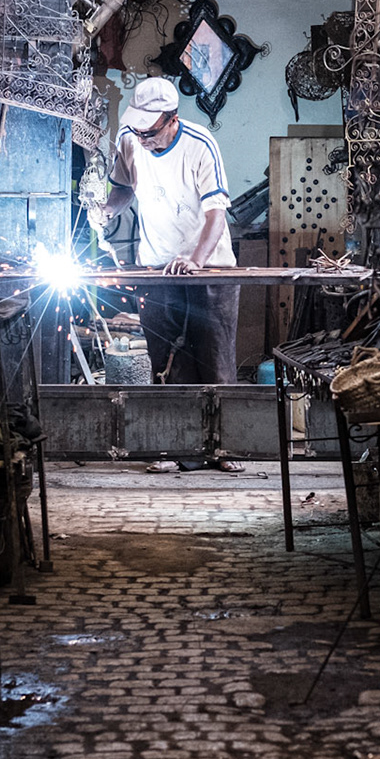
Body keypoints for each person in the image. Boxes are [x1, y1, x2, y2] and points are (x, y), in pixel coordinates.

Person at [100, 76, 243, 472]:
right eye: (140, 132)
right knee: (166, 360)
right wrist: (106, 209)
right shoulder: (130, 138)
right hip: (156, 265)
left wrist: (196, 259)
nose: (144, 139)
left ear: (172, 119)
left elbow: (216, 212)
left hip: (209, 268)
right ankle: (172, 449)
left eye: (152, 132)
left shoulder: (200, 145)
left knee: (214, 359)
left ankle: (221, 449)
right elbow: (123, 188)